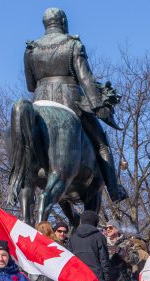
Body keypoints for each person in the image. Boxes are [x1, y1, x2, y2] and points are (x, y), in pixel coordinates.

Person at [24, 7, 128, 202]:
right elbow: (85, 80)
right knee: (102, 145)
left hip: (38, 102)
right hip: (70, 102)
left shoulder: (31, 49)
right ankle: (114, 190)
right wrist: (99, 106)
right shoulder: (73, 44)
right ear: (63, 22)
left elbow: (30, 85)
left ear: (45, 25)